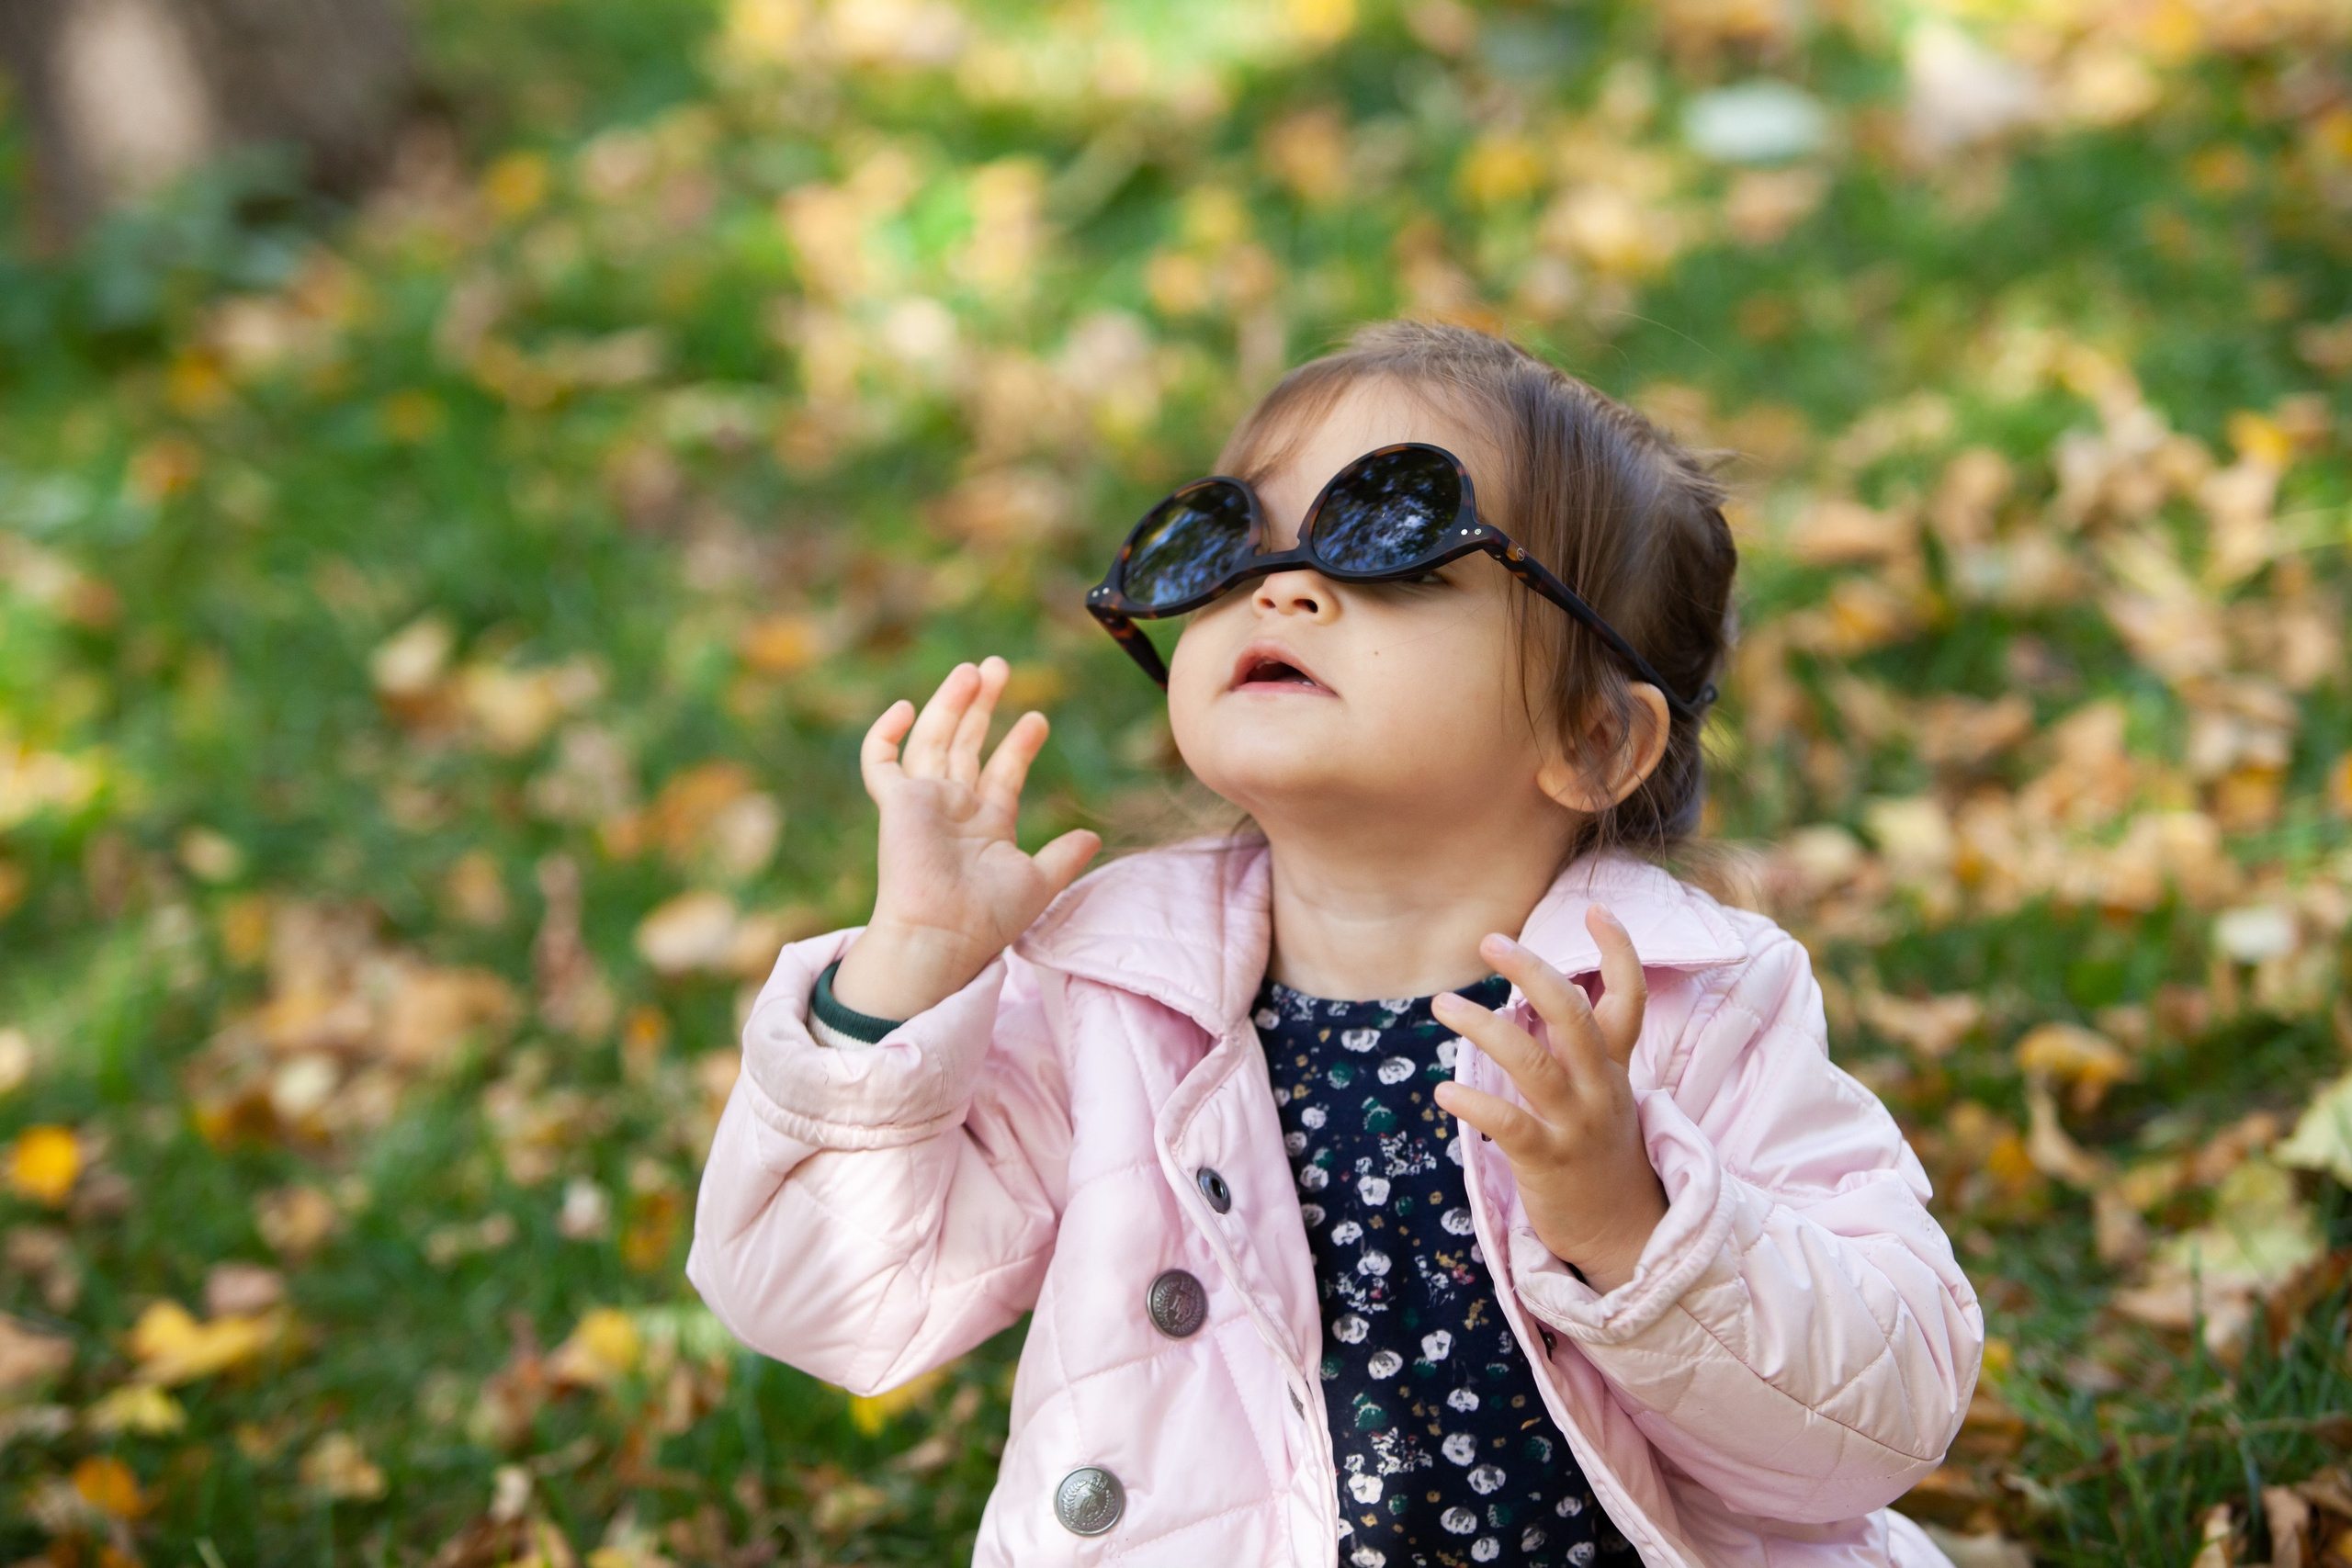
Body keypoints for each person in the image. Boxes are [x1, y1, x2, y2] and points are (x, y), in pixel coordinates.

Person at [686, 318, 1983, 1568]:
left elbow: (1878, 1426)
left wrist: (1635, 1222)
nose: (1284, 586)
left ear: (1592, 739)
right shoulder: (1107, 995)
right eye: (1231, 545)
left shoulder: (1689, 1006)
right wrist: (905, 970)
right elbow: (827, 1300)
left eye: (1400, 552)